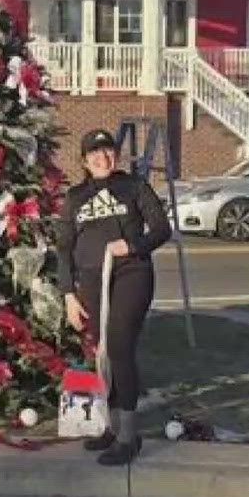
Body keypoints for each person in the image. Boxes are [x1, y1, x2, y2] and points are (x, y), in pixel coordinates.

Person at [55, 128, 173, 466]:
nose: (102, 157)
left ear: (115, 156)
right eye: (94, 152)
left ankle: (128, 435)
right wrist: (68, 295)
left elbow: (161, 228)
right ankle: (111, 424)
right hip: (91, 282)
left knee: (119, 346)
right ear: (84, 159)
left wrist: (133, 245)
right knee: (103, 352)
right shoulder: (75, 197)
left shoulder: (134, 187)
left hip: (130, 275)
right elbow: (64, 249)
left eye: (108, 151)